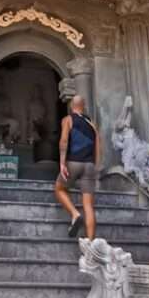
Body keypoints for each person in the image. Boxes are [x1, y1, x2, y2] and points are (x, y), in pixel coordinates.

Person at [55, 95, 99, 239]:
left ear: (71, 106)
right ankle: (91, 245)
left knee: (59, 188)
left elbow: (64, 141)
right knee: (88, 205)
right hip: (90, 165)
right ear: (84, 106)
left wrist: (62, 163)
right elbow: (98, 145)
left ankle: (74, 213)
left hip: (74, 162)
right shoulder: (91, 123)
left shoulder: (67, 120)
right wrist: (96, 165)